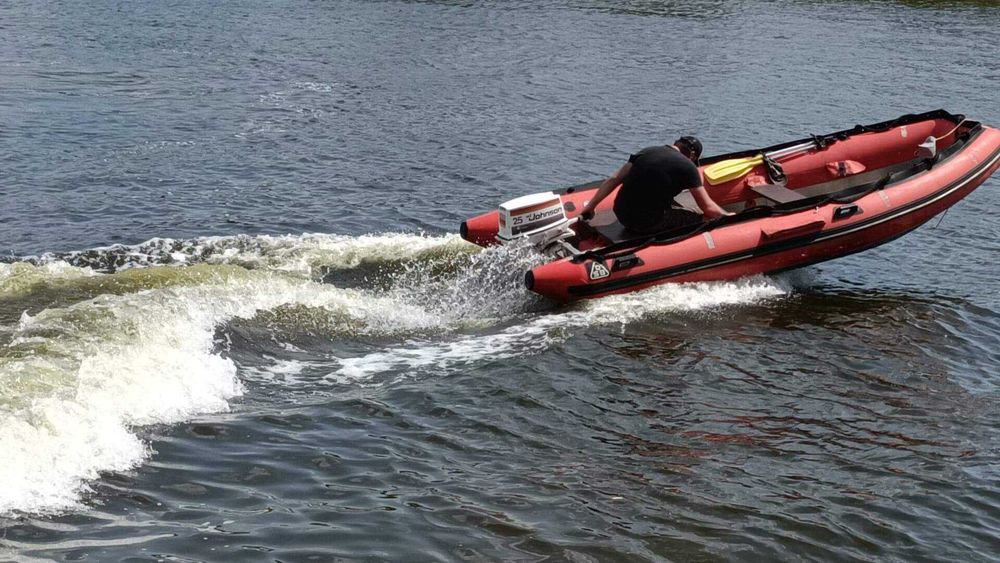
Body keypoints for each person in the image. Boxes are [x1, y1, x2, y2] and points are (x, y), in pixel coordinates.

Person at [579, 136, 732, 234]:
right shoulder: (688, 166)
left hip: (621, 214)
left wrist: (591, 206)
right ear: (692, 156)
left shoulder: (646, 151)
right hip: (646, 223)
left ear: (675, 144)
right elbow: (709, 208)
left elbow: (613, 179)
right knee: (703, 217)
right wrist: (731, 217)